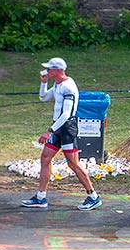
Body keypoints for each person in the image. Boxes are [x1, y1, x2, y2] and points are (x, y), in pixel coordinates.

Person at [20, 57, 103, 211]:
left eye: (50, 69)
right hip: (58, 127)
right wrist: (43, 82)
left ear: (58, 70)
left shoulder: (68, 87)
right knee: (45, 158)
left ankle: (93, 196)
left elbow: (66, 114)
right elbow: (43, 97)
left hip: (66, 129)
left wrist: (49, 131)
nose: (47, 71)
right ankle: (40, 196)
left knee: (73, 163)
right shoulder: (57, 84)